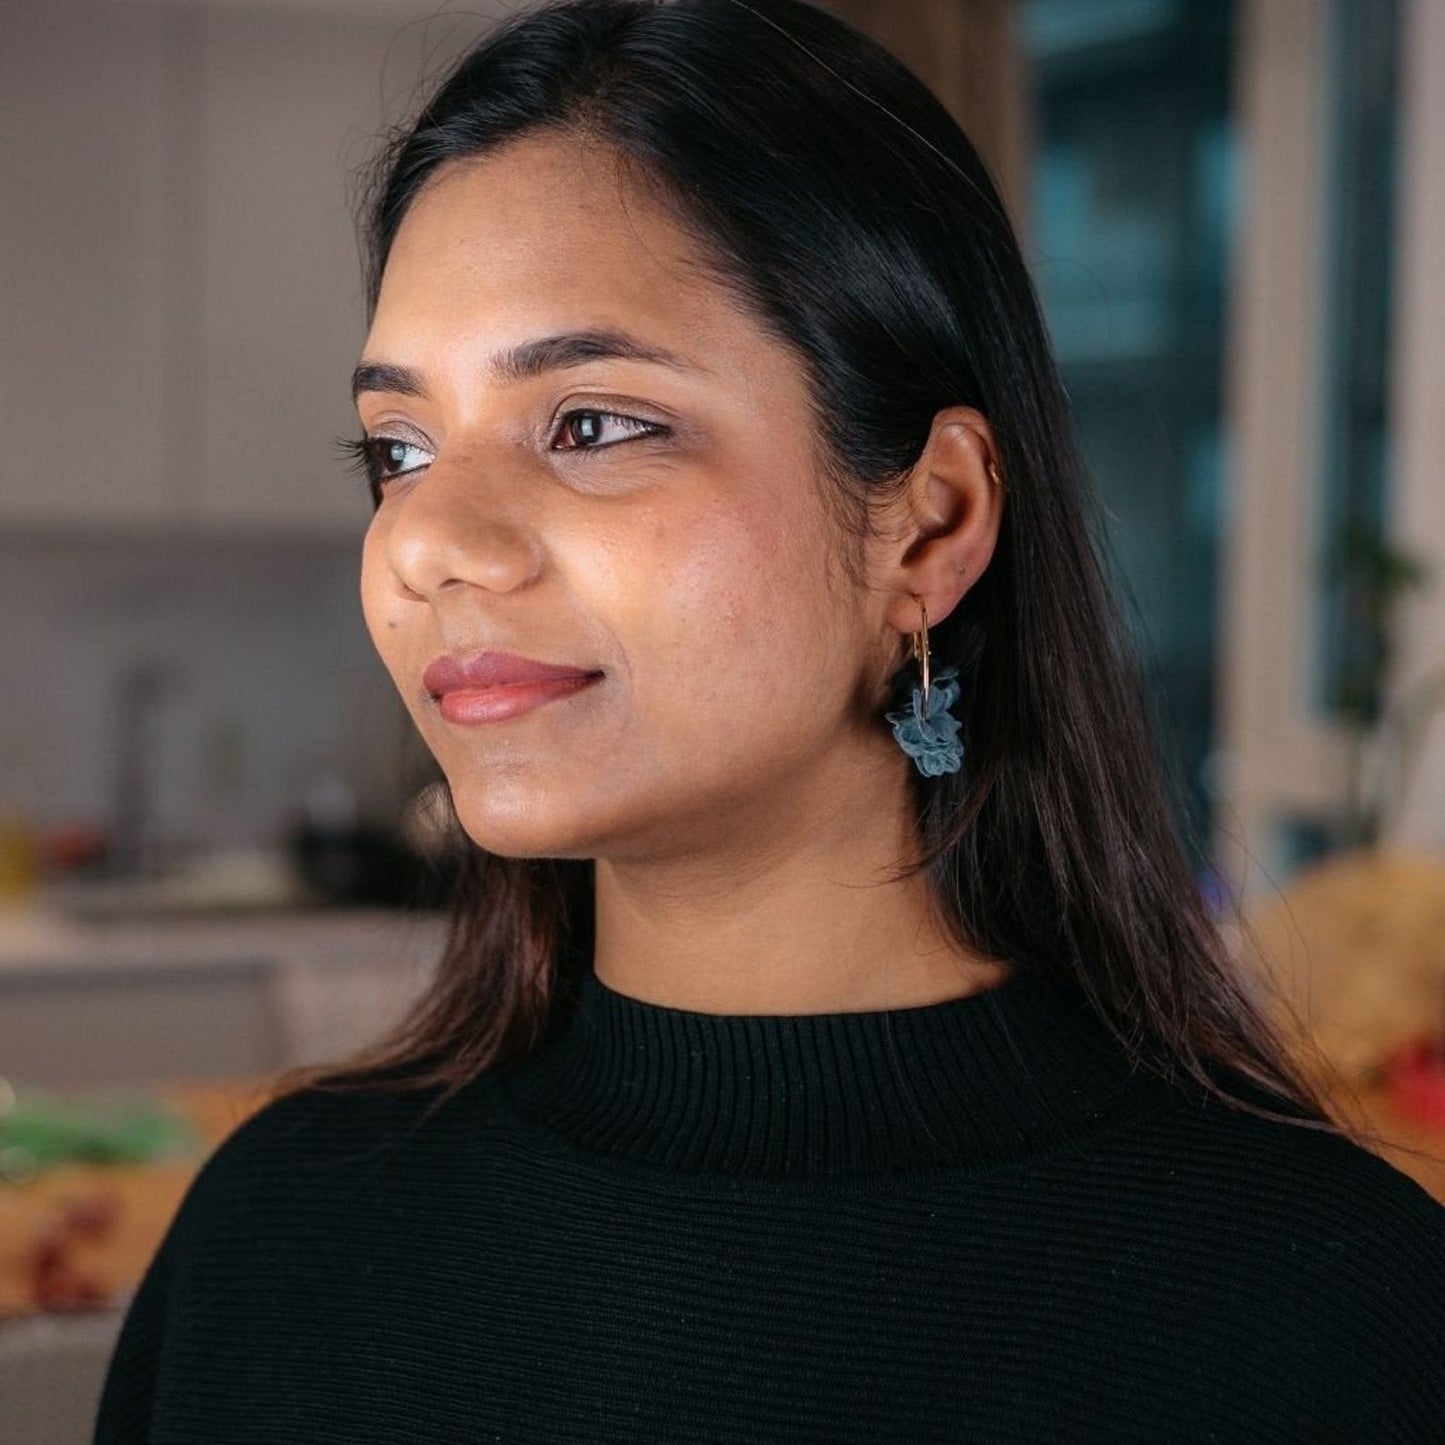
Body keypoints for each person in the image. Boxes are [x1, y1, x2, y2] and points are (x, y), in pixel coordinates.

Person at [94, 1, 1444, 1440]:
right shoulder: (270, 1243)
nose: (431, 541)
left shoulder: (1323, 1304)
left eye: (593, 424)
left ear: (928, 526)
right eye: (399, 448)